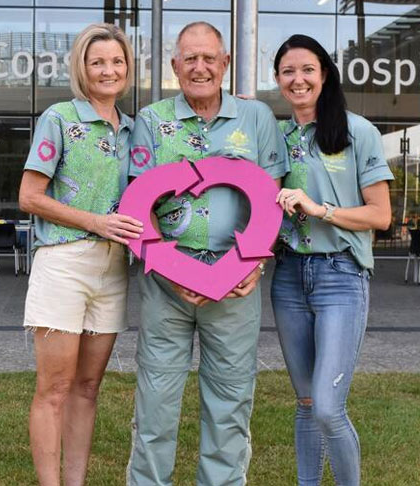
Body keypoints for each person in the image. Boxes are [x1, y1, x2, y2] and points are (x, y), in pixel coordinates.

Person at [126, 21, 288, 486]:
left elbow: (272, 196)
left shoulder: (257, 120)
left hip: (236, 282)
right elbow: (138, 203)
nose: (200, 68)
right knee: (155, 403)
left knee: (230, 403)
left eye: (209, 58)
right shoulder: (152, 121)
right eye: (190, 59)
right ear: (175, 66)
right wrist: (173, 271)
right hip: (166, 283)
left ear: (226, 63)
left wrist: (256, 262)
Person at [18, 23, 143, 486]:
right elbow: (29, 196)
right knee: (54, 389)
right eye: (98, 62)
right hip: (64, 261)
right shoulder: (60, 118)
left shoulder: (134, 129)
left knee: (88, 388)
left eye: (117, 62)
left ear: (127, 68)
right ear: (82, 69)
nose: (108, 70)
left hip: (113, 269)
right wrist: (96, 221)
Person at [268, 34, 393, 486]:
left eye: (307, 70)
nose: (297, 80)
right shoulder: (278, 137)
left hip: (340, 275)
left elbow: (381, 216)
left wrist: (320, 209)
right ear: (278, 80)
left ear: (324, 76)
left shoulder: (357, 131)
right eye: (287, 72)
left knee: (327, 405)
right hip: (288, 277)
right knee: (305, 403)